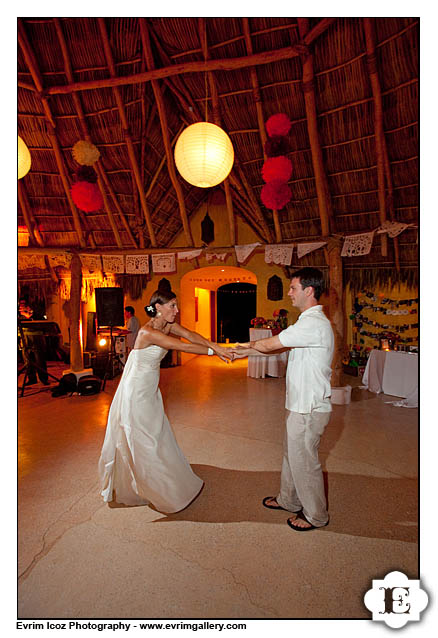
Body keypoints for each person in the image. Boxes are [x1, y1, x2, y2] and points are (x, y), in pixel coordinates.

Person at [98, 289, 233, 513]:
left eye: (176, 305)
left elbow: (191, 336)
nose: (176, 310)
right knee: (144, 436)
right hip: (136, 390)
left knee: (157, 431)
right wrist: (217, 352)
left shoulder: (167, 325)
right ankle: (155, 487)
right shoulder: (147, 332)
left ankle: (163, 474)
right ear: (158, 307)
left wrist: (215, 345)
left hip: (150, 387)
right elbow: (183, 346)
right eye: (172, 306)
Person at [232, 268, 334, 531]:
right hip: (300, 403)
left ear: (308, 291)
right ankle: (288, 499)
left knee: (305, 461)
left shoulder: (313, 323)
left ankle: (315, 515)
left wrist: (236, 349)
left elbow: (269, 345)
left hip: (309, 406)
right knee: (292, 455)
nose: (289, 293)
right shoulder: (306, 320)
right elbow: (280, 345)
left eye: (293, 288)